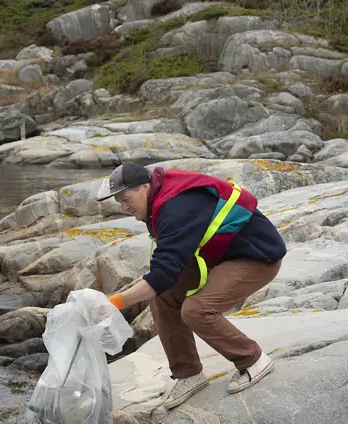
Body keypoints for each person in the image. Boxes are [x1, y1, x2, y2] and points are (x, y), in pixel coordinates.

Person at [97, 162, 287, 410]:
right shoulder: (157, 200)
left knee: (196, 309)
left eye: (126, 199)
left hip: (256, 257)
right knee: (163, 296)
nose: (125, 207)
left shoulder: (176, 206)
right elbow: (166, 271)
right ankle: (188, 374)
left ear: (143, 187)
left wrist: (113, 304)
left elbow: (162, 274)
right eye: (119, 202)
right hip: (220, 256)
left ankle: (253, 360)